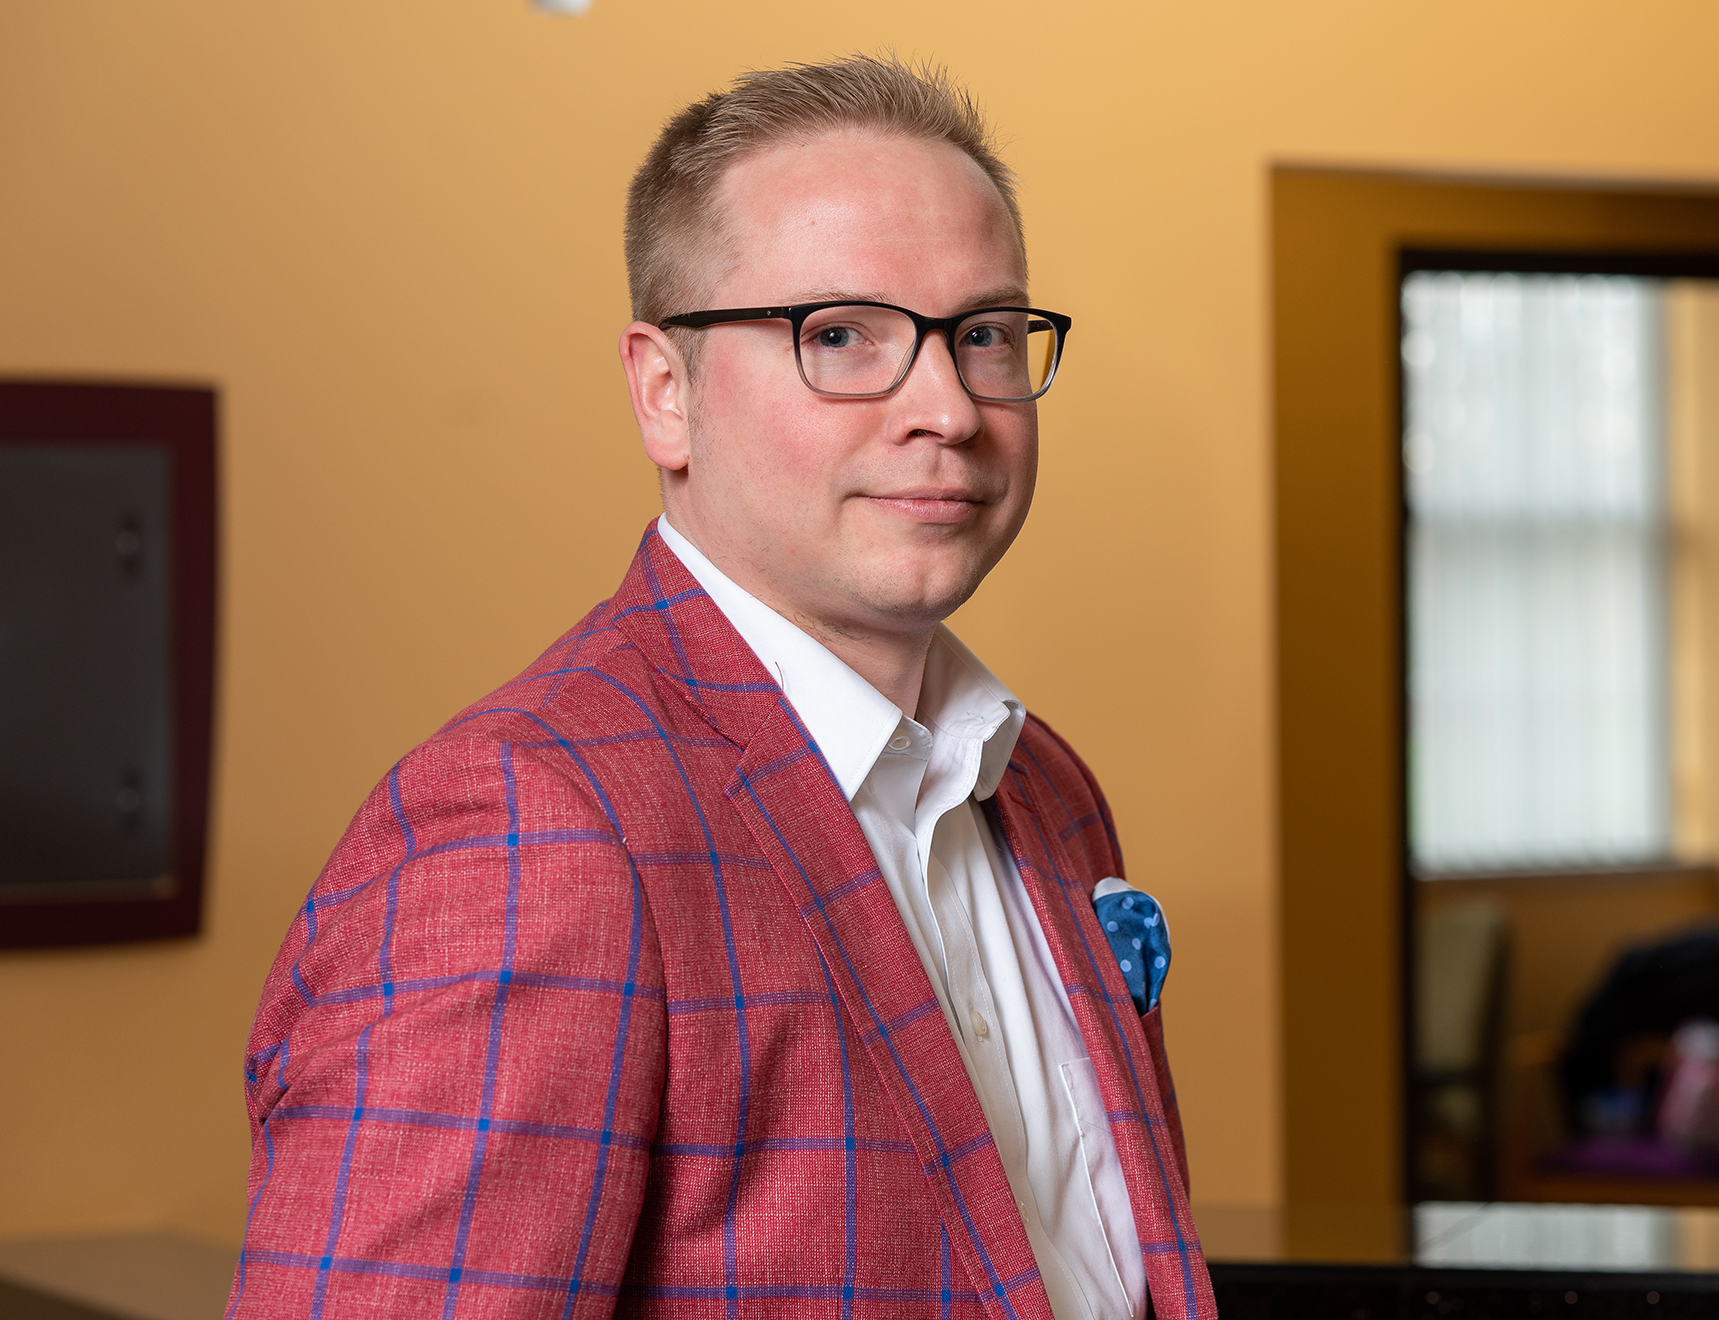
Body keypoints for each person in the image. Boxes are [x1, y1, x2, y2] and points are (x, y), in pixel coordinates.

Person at [229, 56, 1210, 1320]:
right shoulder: (533, 830)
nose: (950, 410)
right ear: (664, 394)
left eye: (983, 335)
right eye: (840, 335)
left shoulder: (1048, 791)